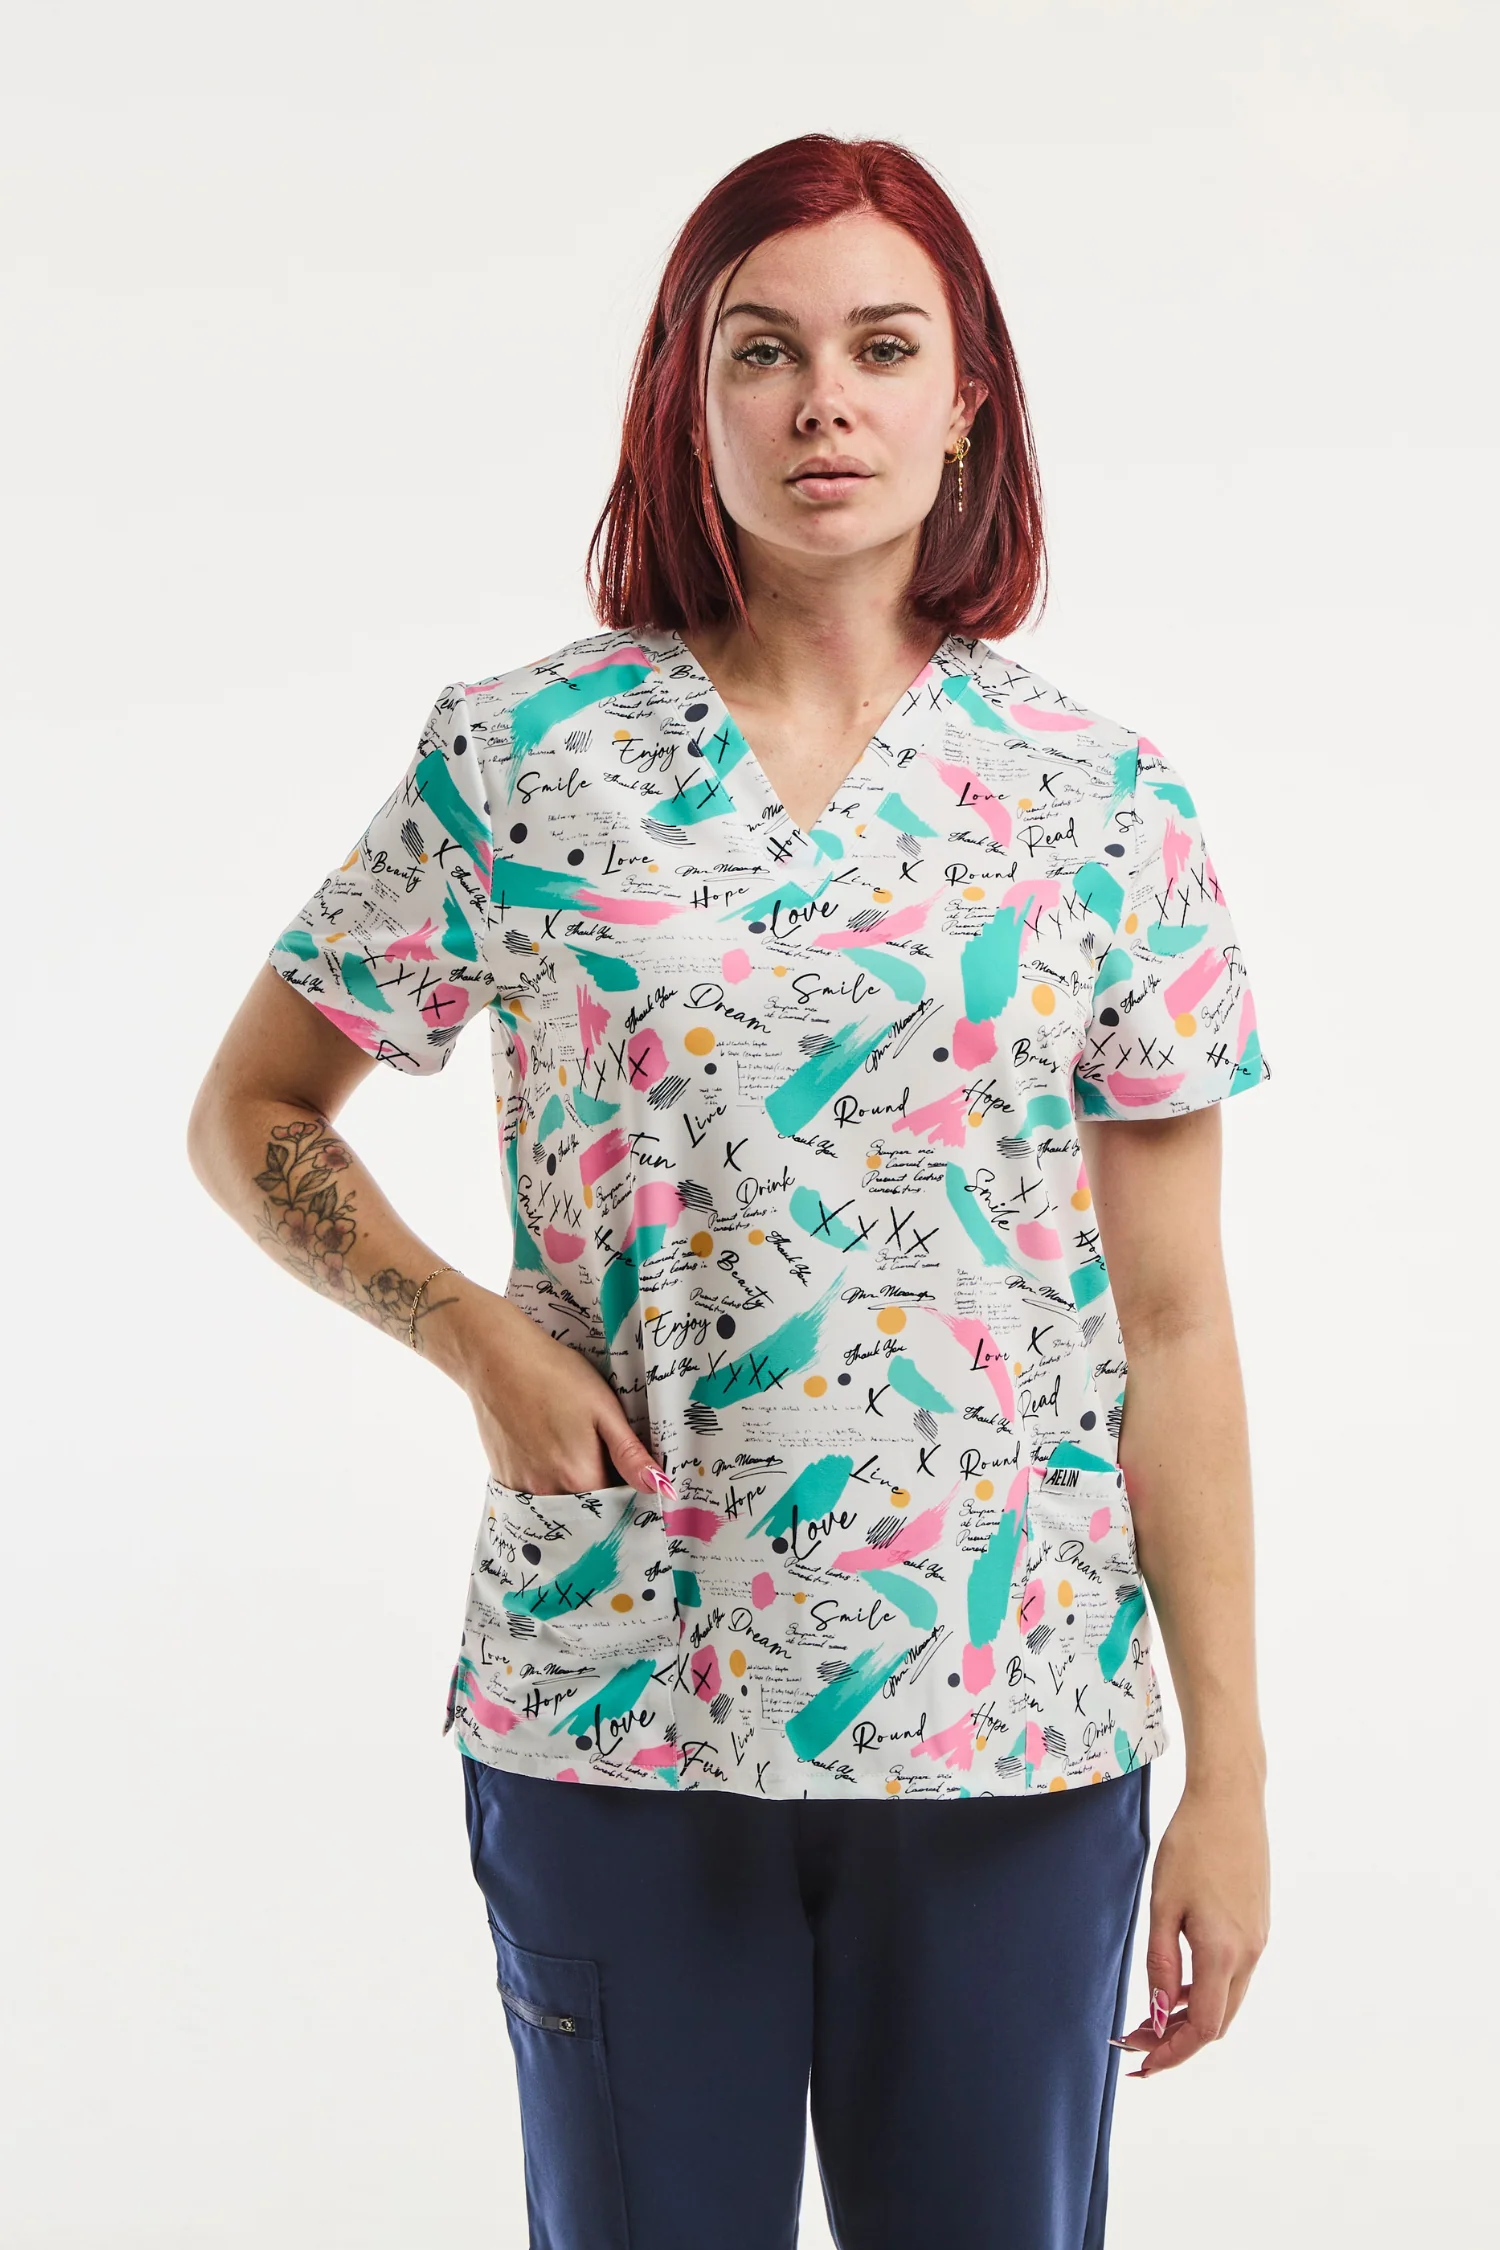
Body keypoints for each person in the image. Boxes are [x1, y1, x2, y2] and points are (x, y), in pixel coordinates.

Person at [188, 132, 1272, 2250]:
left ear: (968, 403)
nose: (822, 404)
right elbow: (254, 1112)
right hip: (621, 1696)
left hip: (1008, 1722)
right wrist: (467, 1334)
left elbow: (1175, 1320)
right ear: (688, 401)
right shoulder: (523, 761)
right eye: (761, 351)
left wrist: (1229, 1775)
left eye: (882, 349)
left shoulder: (1100, 804)